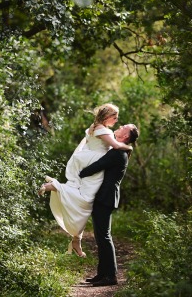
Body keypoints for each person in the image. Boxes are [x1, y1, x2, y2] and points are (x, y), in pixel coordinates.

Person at [38, 103, 132, 257]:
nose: (116, 120)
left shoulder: (95, 127)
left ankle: (76, 239)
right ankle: (54, 186)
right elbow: (115, 145)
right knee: (86, 199)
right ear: (107, 116)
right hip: (94, 163)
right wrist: (129, 148)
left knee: (85, 199)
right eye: (114, 117)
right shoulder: (103, 129)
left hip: (89, 160)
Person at [80, 123, 139, 287]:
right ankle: (102, 273)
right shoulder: (118, 150)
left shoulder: (118, 153)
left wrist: (79, 173)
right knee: (100, 236)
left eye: (123, 127)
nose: (119, 126)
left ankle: (111, 276)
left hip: (106, 198)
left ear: (125, 136)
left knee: (104, 236)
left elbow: (96, 167)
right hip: (105, 197)